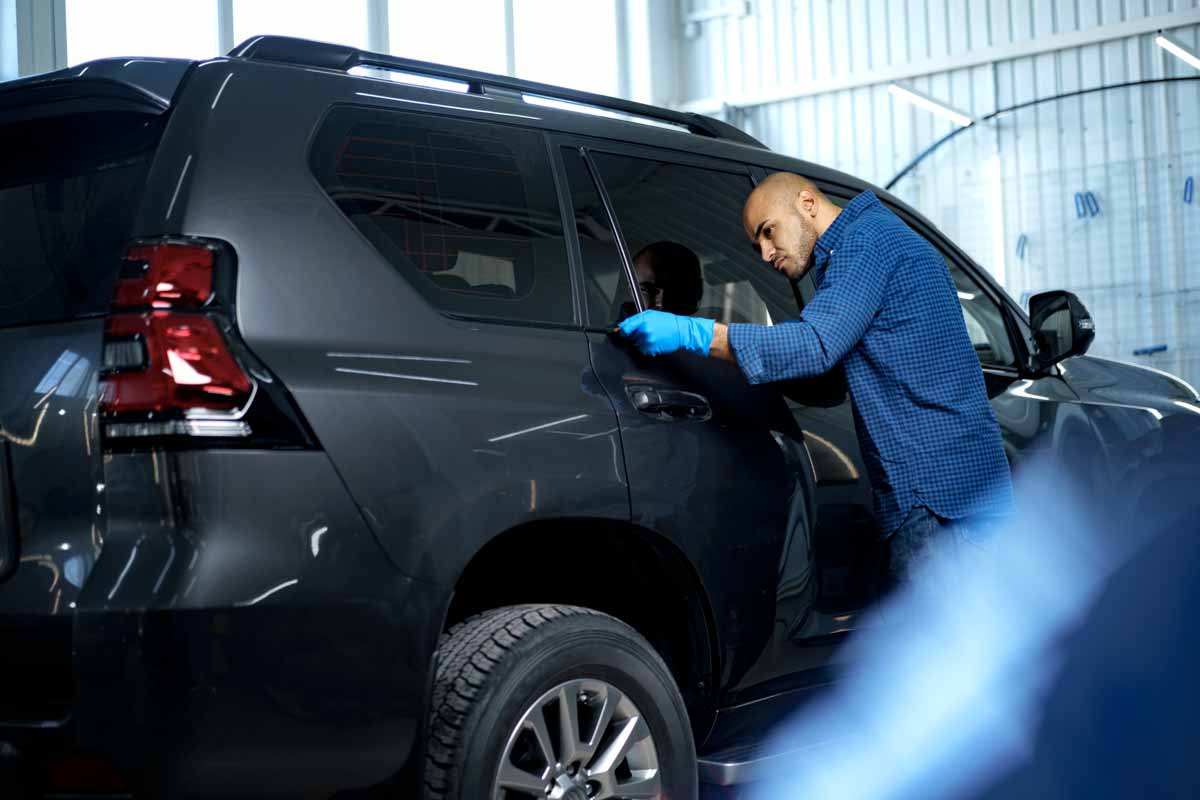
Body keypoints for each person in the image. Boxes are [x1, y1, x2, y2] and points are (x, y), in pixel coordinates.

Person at [617, 172, 1014, 583]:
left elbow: (815, 346)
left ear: (807, 203)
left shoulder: (867, 243)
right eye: (757, 247)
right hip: (944, 491)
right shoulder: (862, 247)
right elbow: (829, 379)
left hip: (940, 497)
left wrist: (693, 333)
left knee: (945, 642)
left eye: (769, 232)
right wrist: (731, 366)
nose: (767, 254)